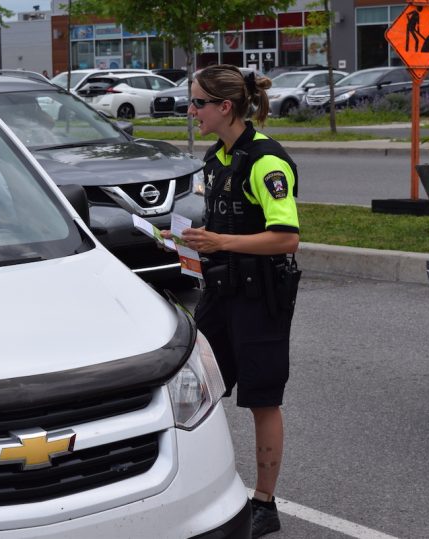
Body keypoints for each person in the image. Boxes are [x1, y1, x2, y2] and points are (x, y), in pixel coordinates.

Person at [162, 64, 300, 539]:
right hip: (219, 293)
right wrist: (183, 241)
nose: (190, 110)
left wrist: (219, 243)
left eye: (198, 102)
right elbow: (219, 226)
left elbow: (286, 238)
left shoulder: (266, 162)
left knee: (262, 400)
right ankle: (199, 490)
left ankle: (265, 503)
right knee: (197, 393)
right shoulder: (215, 158)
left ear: (225, 107)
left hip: (260, 298)